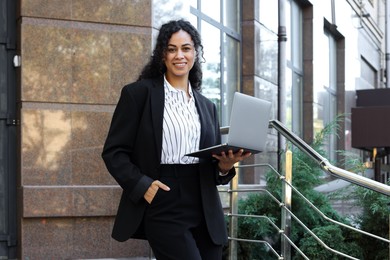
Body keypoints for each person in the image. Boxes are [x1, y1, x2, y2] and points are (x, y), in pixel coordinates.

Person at [102, 19, 251, 260]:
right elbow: (114, 152)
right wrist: (144, 186)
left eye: (186, 48)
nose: (179, 55)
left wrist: (225, 166)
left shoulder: (207, 106)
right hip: (164, 198)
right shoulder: (138, 94)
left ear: (195, 53)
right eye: (171, 49)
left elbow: (212, 167)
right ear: (162, 54)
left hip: (205, 203)